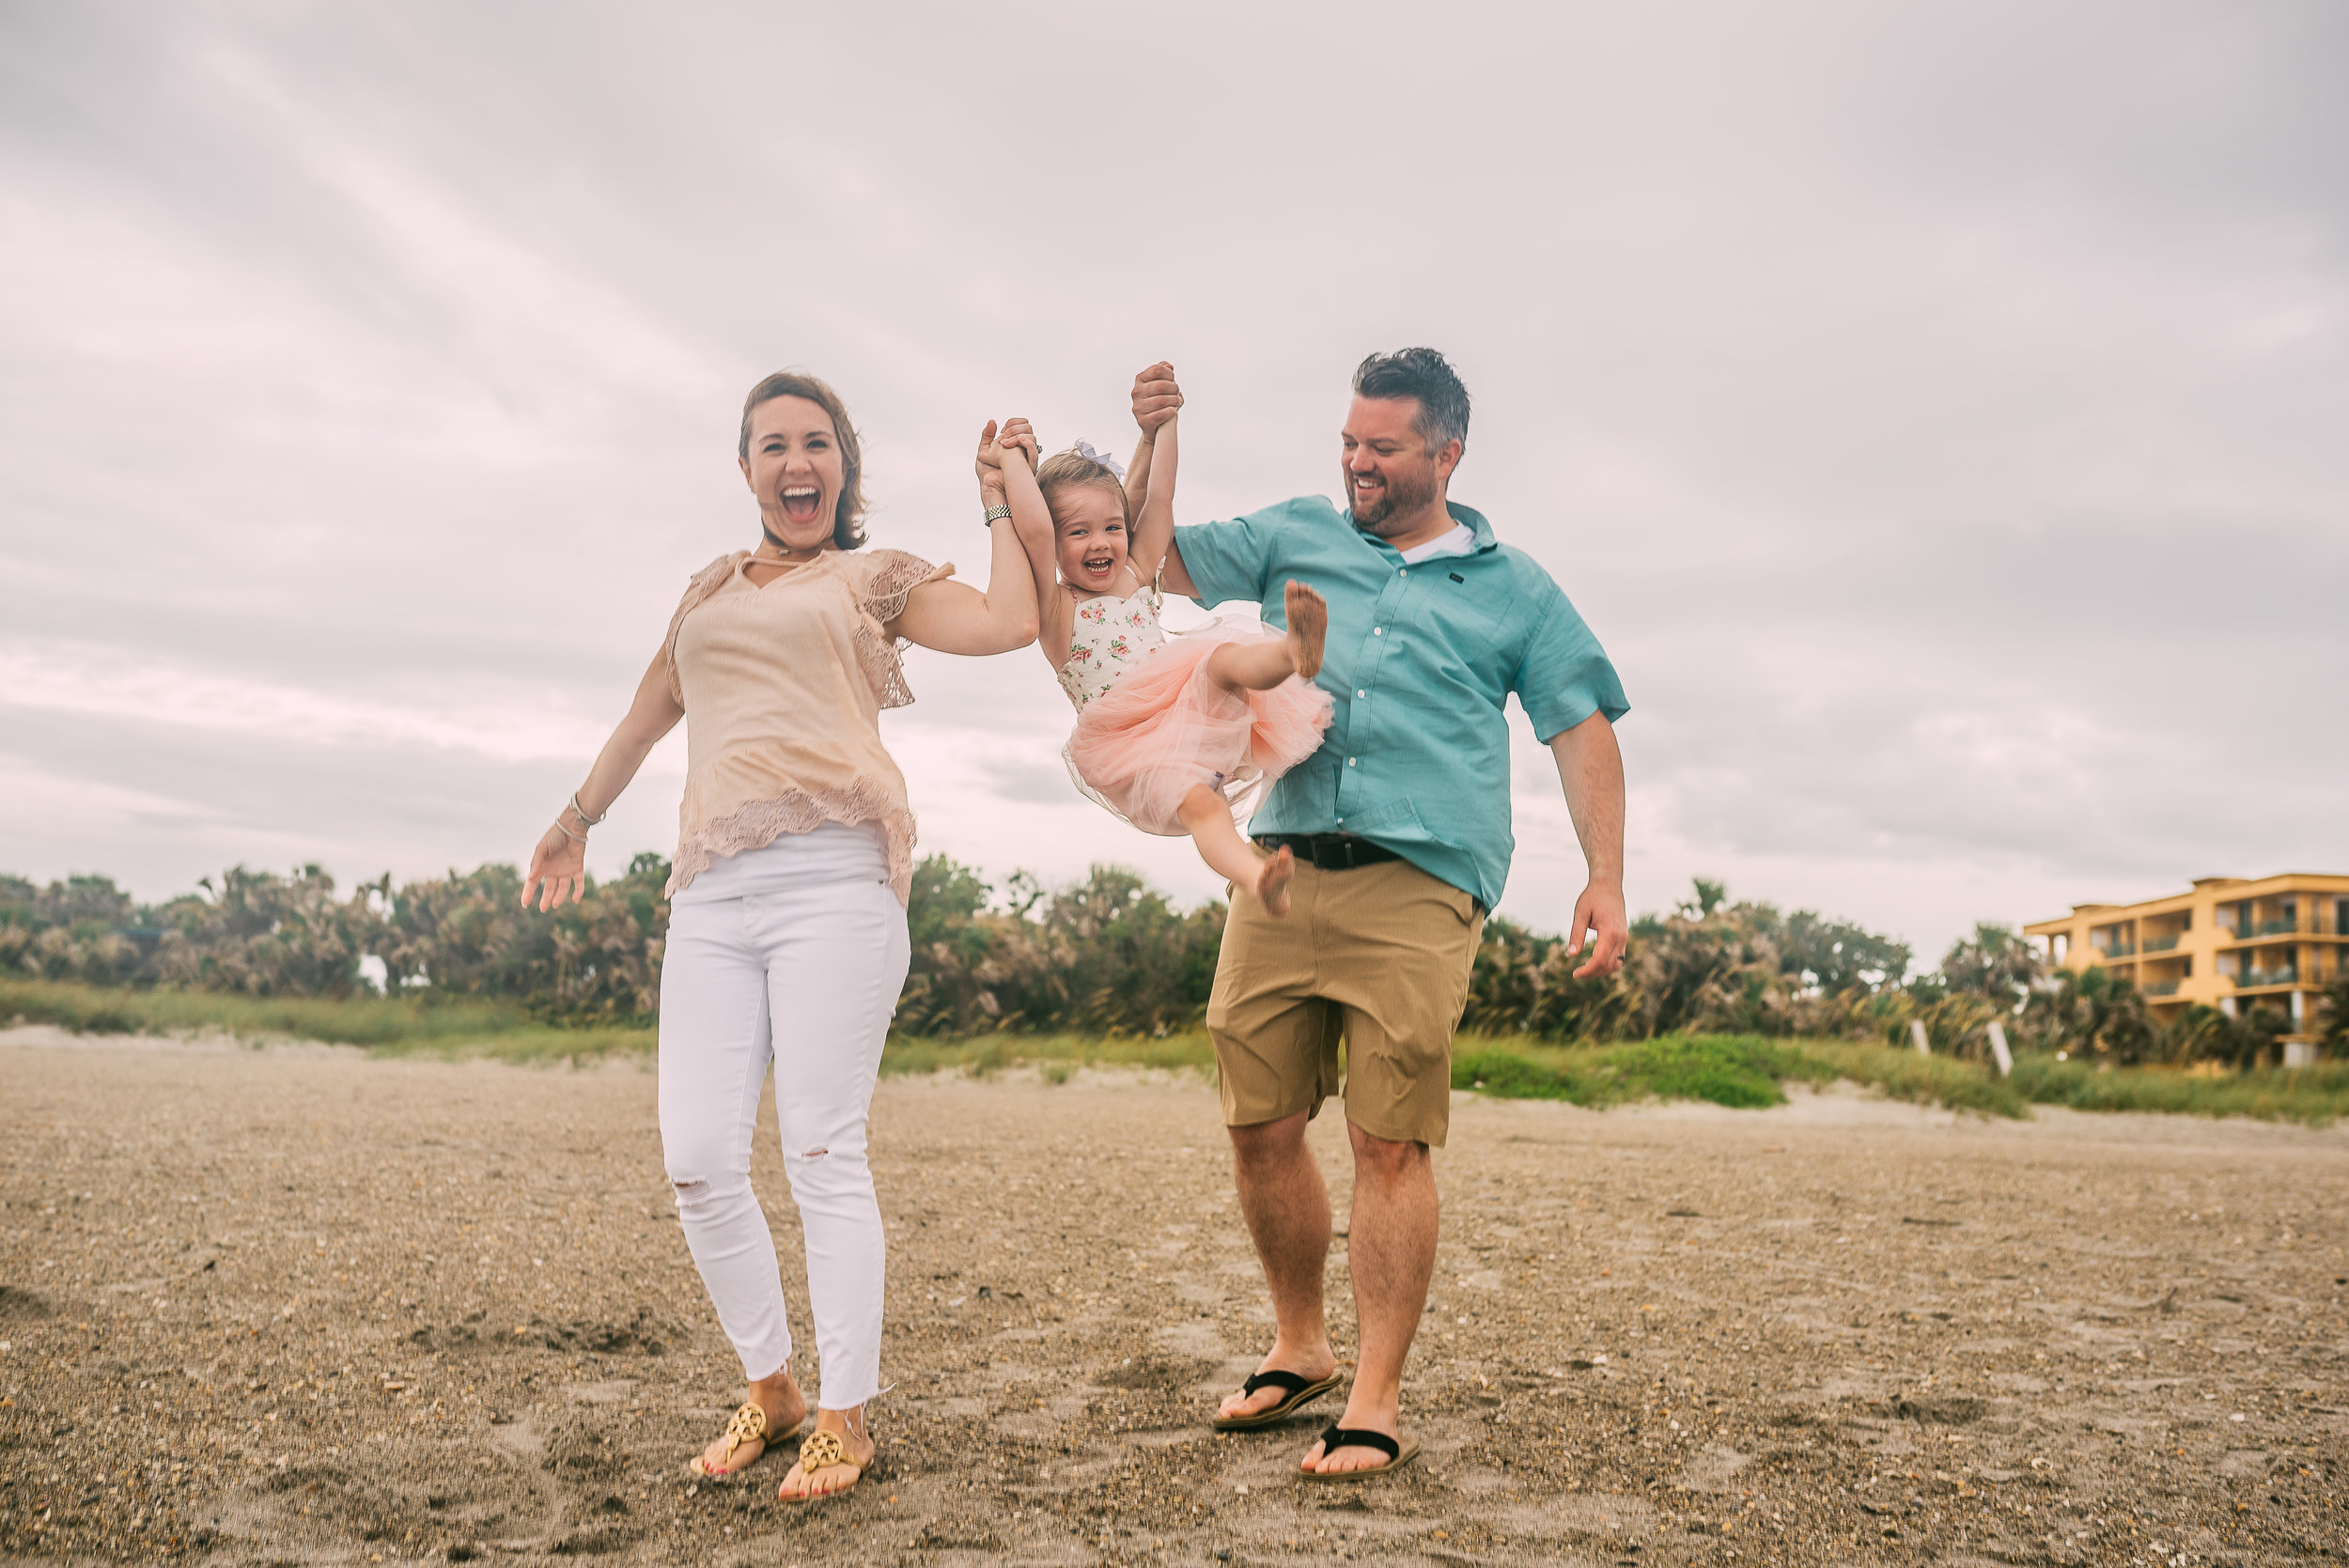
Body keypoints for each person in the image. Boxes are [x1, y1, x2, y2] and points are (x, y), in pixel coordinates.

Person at [519, 372, 1039, 1504]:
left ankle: (847, 1418)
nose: (795, 463)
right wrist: (573, 822)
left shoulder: (867, 578)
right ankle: (778, 1390)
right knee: (699, 1160)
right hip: (709, 893)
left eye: (816, 443)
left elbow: (1011, 621)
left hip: (835, 884)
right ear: (746, 467)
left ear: (842, 465)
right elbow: (646, 716)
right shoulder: (704, 593)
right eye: (772, 446)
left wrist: (1002, 498)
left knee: (818, 1150)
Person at [1142, 349, 1630, 1480]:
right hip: (1281, 864)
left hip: (1422, 874)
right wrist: (1154, 435)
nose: (1358, 463)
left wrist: (1603, 875)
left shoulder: (1518, 588)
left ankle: (1373, 1393)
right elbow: (1147, 555)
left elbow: (1581, 726)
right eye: (1349, 442)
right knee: (1258, 1124)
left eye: (1384, 447)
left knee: (1387, 1136)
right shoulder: (1294, 531)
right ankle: (1299, 1344)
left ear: (1447, 452)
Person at [991, 376, 1332, 912]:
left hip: (1187, 707)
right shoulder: (1056, 609)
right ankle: (1258, 874)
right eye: (1078, 533)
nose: (1100, 542)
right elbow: (1031, 530)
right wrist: (1014, 462)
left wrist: (1165, 425)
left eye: (1110, 527)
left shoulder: (1135, 572)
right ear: (1055, 545)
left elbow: (1160, 495)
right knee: (1203, 807)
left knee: (1220, 660)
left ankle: (1293, 653)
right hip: (1132, 745)